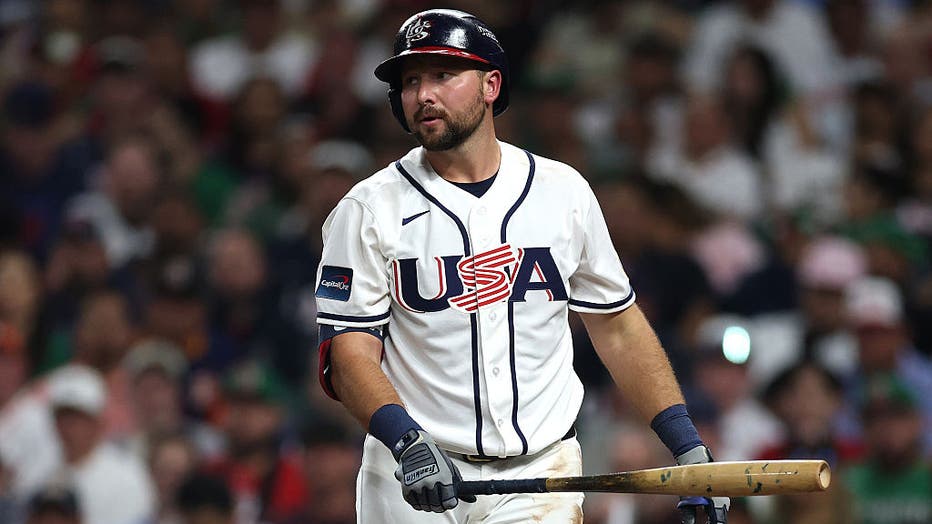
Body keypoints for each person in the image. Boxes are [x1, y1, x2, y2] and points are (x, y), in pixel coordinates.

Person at [314, 9, 727, 523]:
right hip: (411, 475)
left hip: (539, 474)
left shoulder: (562, 192)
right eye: (410, 80)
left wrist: (685, 445)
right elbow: (350, 351)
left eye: (443, 75)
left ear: (491, 85)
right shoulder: (368, 208)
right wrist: (406, 440)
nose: (423, 94)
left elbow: (617, 327)